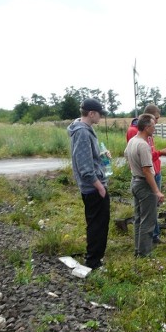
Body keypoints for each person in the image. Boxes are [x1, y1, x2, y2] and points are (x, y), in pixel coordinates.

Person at [67, 98, 111, 270]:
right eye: (99, 114)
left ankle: (95, 259)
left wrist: (101, 154)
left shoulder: (85, 129)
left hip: (93, 186)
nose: (100, 117)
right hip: (93, 188)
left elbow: (88, 158)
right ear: (91, 113)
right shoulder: (83, 132)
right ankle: (93, 262)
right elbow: (84, 166)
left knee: (98, 223)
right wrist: (99, 186)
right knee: (97, 225)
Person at [126, 104, 166, 243]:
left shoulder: (146, 133)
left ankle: (148, 240)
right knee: (146, 214)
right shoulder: (135, 133)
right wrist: (160, 153)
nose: (156, 123)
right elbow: (143, 159)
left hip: (153, 172)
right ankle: (147, 244)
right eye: (155, 119)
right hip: (146, 177)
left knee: (150, 209)